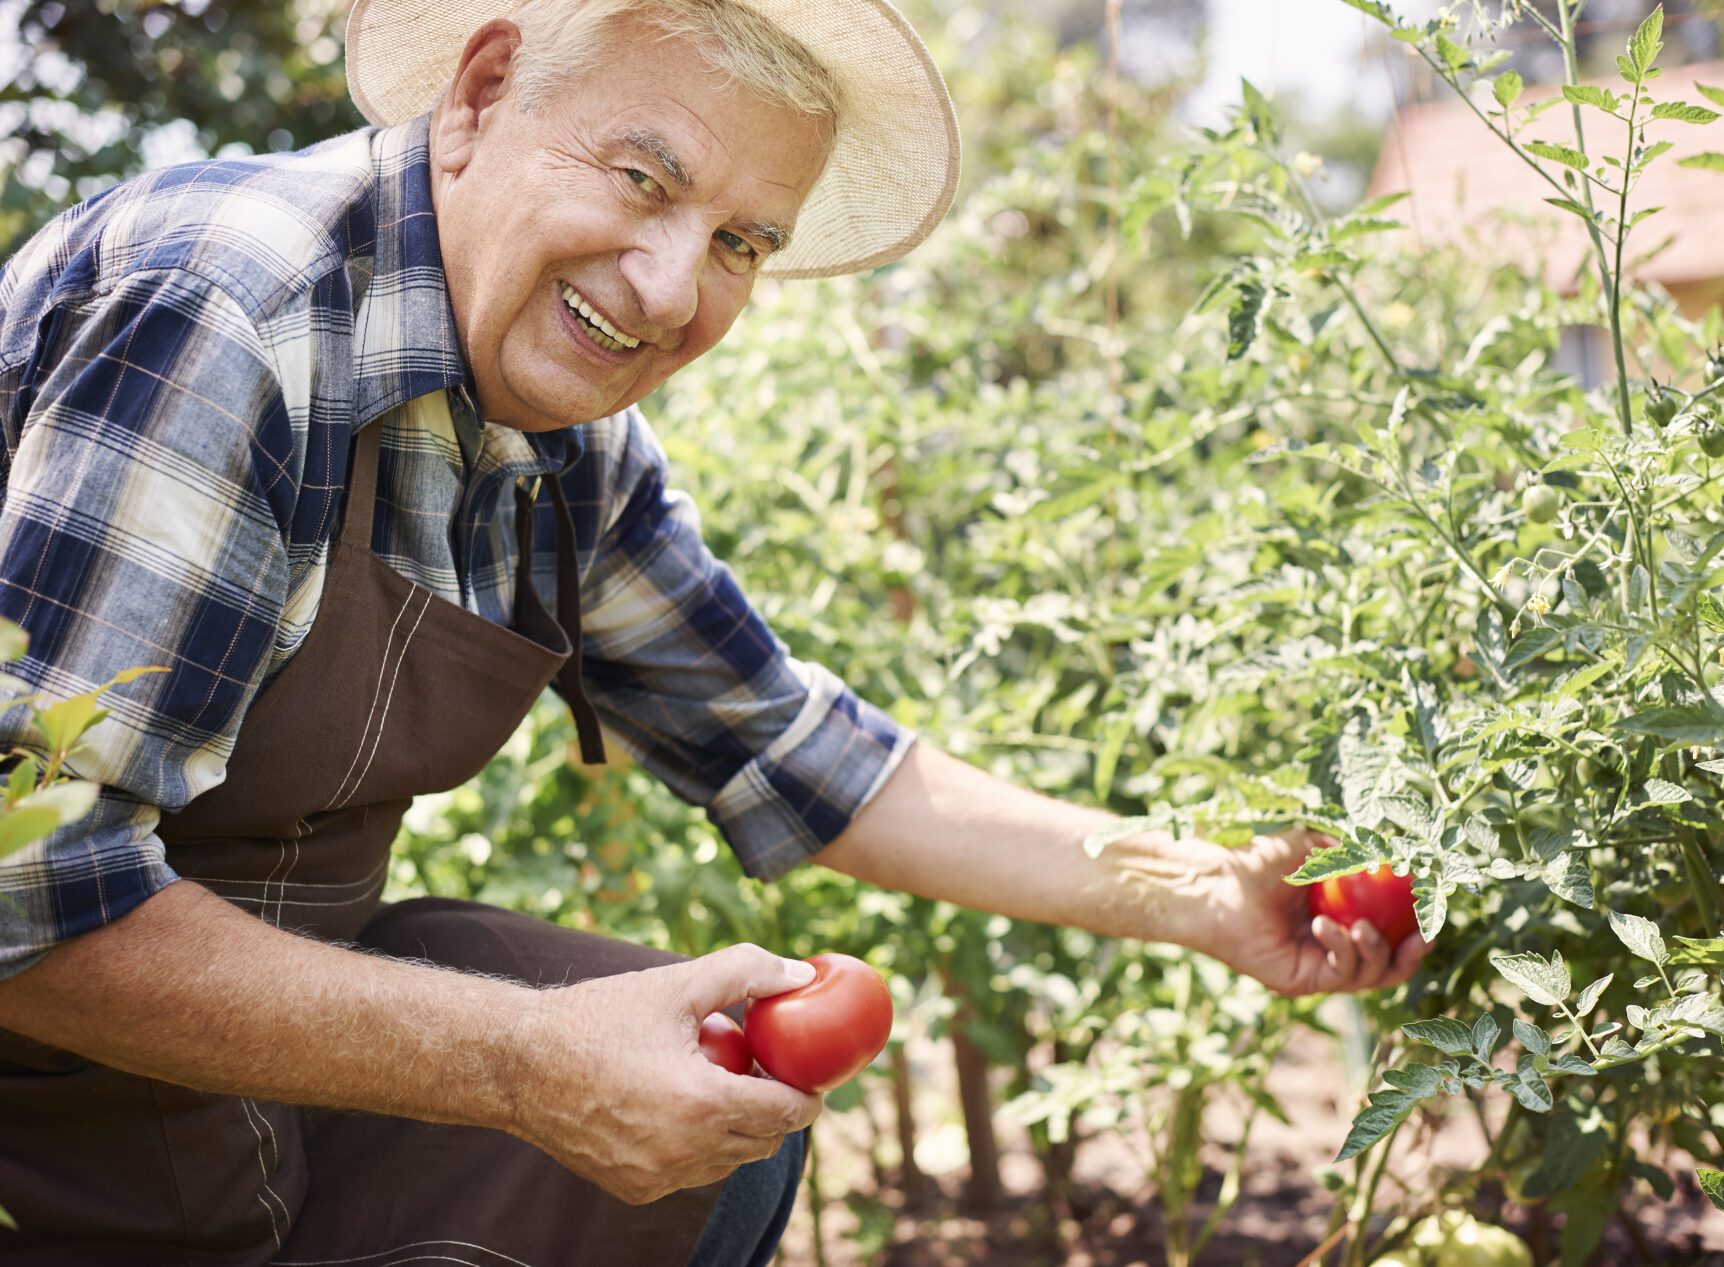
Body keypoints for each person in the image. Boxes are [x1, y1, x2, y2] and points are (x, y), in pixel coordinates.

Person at [0, 0, 1432, 1262]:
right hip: (45, 1104)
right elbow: (27, 902)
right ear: (483, 94)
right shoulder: (229, 318)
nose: (673, 291)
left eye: (742, 240)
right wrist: (524, 1065)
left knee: (707, 1136)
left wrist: (1198, 892)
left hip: (249, 1069)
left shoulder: (557, 438)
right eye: (643, 177)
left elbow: (797, 751)